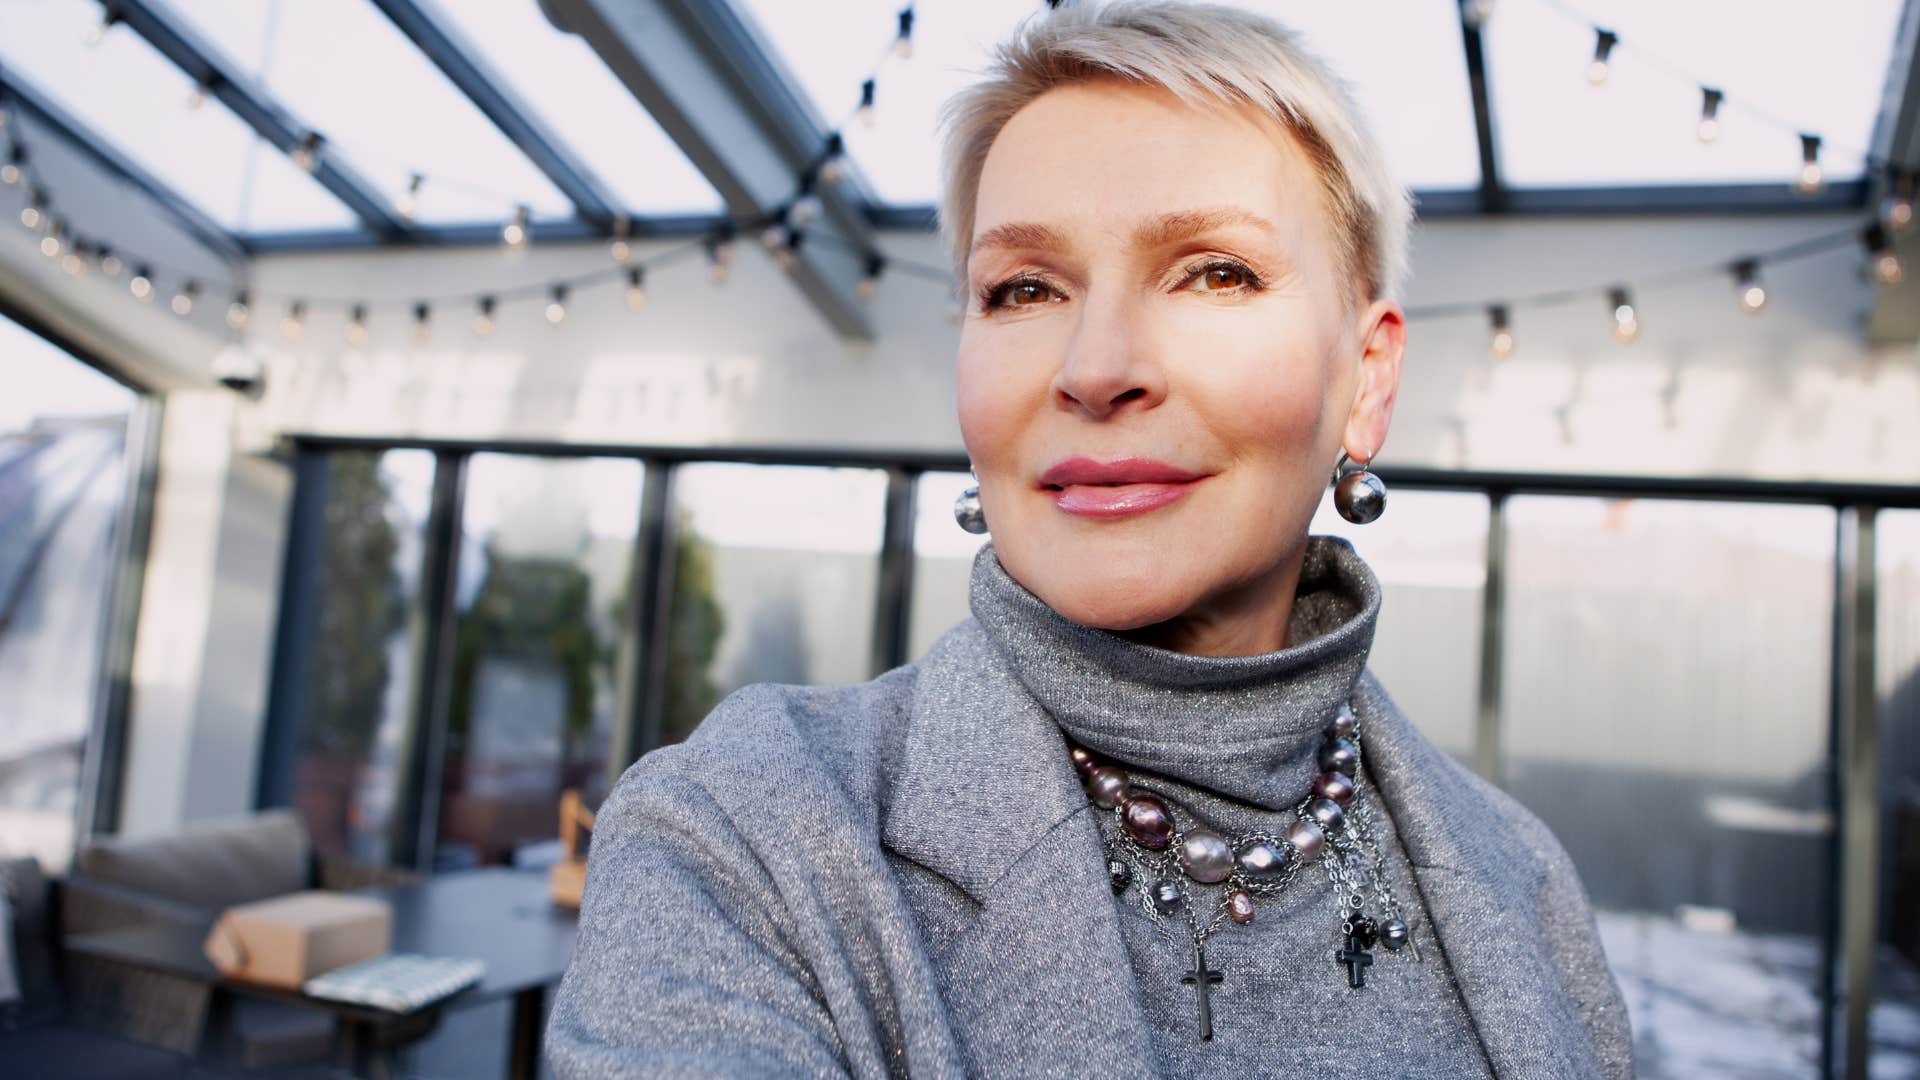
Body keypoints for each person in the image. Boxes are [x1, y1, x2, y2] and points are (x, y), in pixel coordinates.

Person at [545, 1, 1633, 1076]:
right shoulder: (743, 840)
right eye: (1023, 288)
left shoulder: (1523, 882)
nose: (1097, 366)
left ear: (1368, 380)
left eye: (1215, 270)